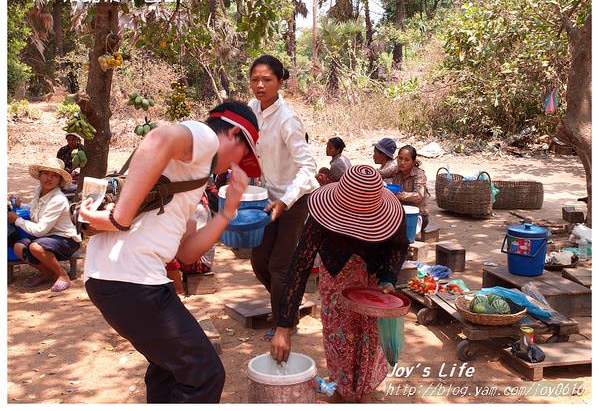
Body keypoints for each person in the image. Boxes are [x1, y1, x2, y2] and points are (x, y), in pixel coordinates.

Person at [79, 100, 261, 403]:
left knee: (168, 370)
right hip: (132, 281)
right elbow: (158, 139)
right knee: (205, 374)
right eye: (244, 154)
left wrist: (228, 211)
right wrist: (119, 216)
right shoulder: (206, 138)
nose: (237, 166)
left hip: (117, 280)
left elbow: (187, 253)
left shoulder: (192, 177)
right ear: (232, 134)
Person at [270, 165, 409, 402]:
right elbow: (299, 266)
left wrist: (388, 277)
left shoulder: (392, 214)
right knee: (339, 335)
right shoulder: (321, 216)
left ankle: (363, 391)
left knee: (370, 340)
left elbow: (398, 246)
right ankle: (343, 392)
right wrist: (283, 326)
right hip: (336, 281)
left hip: (374, 286)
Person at [247, 54, 319, 341]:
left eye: (267, 80)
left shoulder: (288, 119)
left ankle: (282, 321)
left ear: (279, 82)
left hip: (294, 200)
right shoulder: (252, 108)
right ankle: (288, 301)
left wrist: (285, 201)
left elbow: (309, 166)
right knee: (258, 260)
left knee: (279, 265)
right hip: (266, 198)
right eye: (255, 80)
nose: (260, 85)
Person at [8, 157, 81, 292]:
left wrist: (17, 220)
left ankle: (63, 275)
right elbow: (34, 208)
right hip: (47, 237)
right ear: (40, 176)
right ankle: (47, 273)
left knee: (35, 247)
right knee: (19, 247)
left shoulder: (58, 199)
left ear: (59, 181)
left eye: (54, 176)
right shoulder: (39, 190)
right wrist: (21, 205)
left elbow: (40, 230)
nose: (49, 178)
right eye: (46, 174)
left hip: (66, 240)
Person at [165, 194, 215, 295]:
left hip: (200, 260)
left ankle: (179, 290)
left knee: (166, 255)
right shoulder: (190, 205)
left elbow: (191, 242)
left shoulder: (197, 207)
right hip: (192, 252)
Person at [381, 144, 430, 230]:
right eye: (400, 158)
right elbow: (379, 174)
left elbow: (419, 196)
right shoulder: (396, 170)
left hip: (418, 215)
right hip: (400, 212)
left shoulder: (419, 175)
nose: (402, 162)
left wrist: (399, 195)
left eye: (407, 160)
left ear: (413, 162)